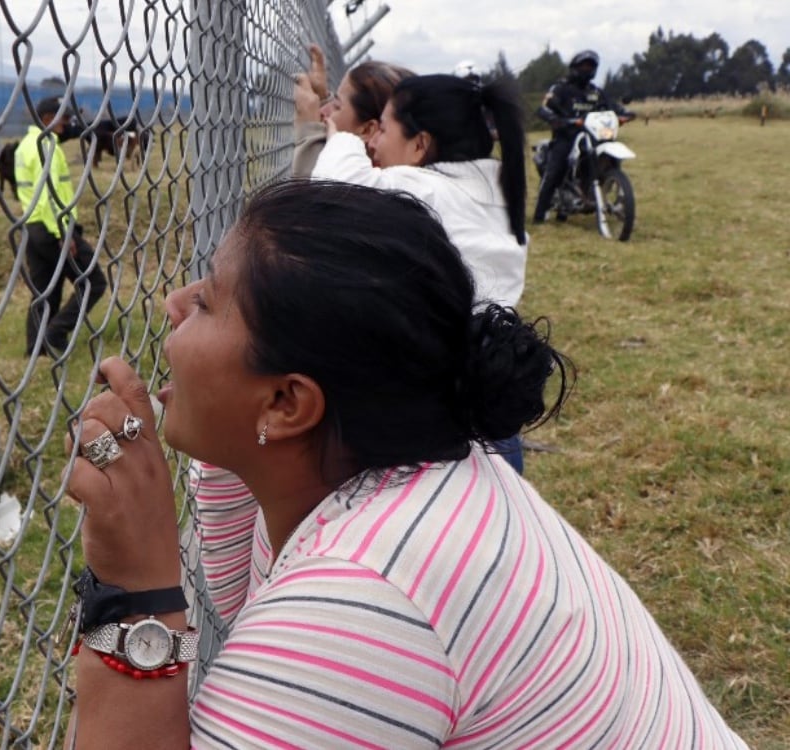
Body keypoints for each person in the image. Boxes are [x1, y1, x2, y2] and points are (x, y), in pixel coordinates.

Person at [62, 180, 748, 749]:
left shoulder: (363, 594)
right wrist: (231, 445)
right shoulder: (383, 463)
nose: (173, 303)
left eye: (208, 301)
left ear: (288, 402)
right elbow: (238, 599)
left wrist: (136, 587)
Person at [311, 73, 530, 471]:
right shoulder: (495, 188)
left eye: (383, 129)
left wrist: (342, 136)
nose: (374, 142)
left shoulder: (424, 188)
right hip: (493, 389)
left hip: (439, 401)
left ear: (420, 145)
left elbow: (334, 185)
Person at [14, 95, 108, 357]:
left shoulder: (26, 145)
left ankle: (36, 347)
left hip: (33, 225)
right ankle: (56, 332)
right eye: (63, 117)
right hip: (53, 227)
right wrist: (64, 233)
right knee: (93, 282)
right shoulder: (46, 147)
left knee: (46, 289)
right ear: (47, 118)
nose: (67, 123)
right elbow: (49, 194)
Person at [534, 50, 635, 224]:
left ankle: (597, 191)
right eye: (584, 65)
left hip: (594, 136)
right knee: (555, 170)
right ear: (574, 67)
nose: (587, 69)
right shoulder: (561, 88)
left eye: (590, 66)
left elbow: (613, 107)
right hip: (567, 136)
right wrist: (556, 119)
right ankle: (539, 215)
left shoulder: (596, 92)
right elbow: (543, 108)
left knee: (608, 158)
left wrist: (625, 114)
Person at [291, 43, 413, 176]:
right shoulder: (396, 176)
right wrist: (321, 97)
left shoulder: (371, 183)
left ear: (367, 130)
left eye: (337, 106)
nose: (322, 111)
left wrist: (309, 131)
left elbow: (312, 189)